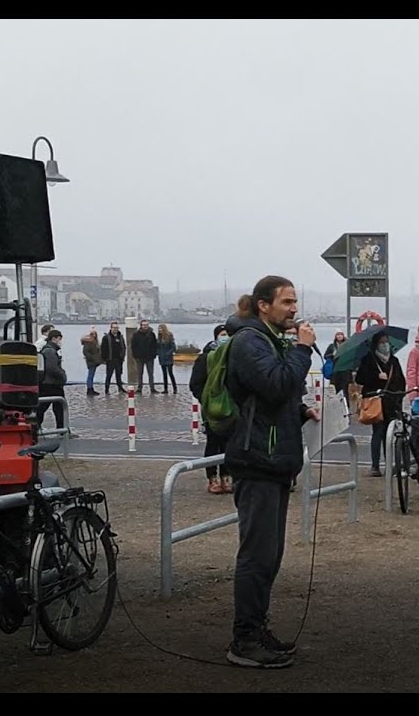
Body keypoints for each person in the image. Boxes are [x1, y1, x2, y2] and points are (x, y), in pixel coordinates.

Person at [222, 276, 320, 668]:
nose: (294, 309)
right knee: (257, 556)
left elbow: (274, 399)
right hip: (257, 461)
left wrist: (302, 410)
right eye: (286, 302)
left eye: (295, 301)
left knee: (270, 556)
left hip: (275, 460)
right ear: (264, 305)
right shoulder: (249, 342)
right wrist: (303, 349)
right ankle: (244, 641)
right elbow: (276, 384)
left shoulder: (269, 340)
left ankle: (257, 628)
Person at [189, 322, 234, 495]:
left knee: (230, 444)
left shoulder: (233, 356)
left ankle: (226, 476)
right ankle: (212, 477)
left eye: (227, 334)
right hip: (212, 410)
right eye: (222, 335)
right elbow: (195, 383)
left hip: (232, 409)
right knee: (213, 442)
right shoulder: (205, 358)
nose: (225, 338)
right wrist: (207, 400)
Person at [356, 331, 405, 477]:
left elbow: (401, 381)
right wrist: (376, 376)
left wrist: (399, 397)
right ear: (376, 344)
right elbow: (360, 379)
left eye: (387, 342)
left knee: (391, 434)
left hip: (391, 401)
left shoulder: (394, 361)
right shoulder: (368, 359)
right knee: (378, 432)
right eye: (382, 342)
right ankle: (375, 465)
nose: (385, 345)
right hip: (376, 401)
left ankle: (390, 464)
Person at [36, 329, 66, 429]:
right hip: (52, 384)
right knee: (50, 407)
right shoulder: (50, 351)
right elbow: (52, 368)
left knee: (55, 407)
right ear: (54, 338)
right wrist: (62, 375)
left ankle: (61, 428)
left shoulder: (48, 349)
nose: (60, 341)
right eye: (59, 339)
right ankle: (61, 429)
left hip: (49, 383)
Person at [100, 321, 126, 395]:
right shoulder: (106, 337)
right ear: (111, 328)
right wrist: (105, 358)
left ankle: (120, 388)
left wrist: (122, 356)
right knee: (109, 375)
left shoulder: (120, 337)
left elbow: (123, 347)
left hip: (119, 359)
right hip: (110, 359)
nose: (115, 329)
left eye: (117, 328)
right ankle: (107, 390)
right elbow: (103, 349)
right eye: (114, 328)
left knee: (119, 374)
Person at [156, 323, 178, 394]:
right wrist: (158, 353)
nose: (160, 330)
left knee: (170, 373)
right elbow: (157, 347)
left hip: (168, 358)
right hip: (161, 357)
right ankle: (165, 389)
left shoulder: (169, 336)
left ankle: (175, 388)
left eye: (161, 328)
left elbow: (173, 347)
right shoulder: (159, 337)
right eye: (159, 329)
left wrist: (168, 353)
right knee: (164, 373)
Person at [81, 327, 102, 396]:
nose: (94, 335)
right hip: (91, 361)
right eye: (92, 334)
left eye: (95, 334)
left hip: (94, 361)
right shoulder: (88, 342)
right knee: (90, 376)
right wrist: (92, 358)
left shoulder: (94, 342)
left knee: (91, 375)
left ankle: (91, 388)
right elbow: (85, 352)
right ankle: (89, 389)